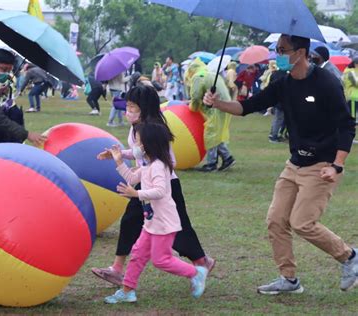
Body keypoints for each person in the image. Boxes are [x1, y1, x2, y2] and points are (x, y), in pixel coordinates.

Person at [203, 34, 357, 294]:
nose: (278, 55)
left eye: (283, 50)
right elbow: (249, 106)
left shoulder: (326, 82)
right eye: (277, 49)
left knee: (302, 222)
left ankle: (350, 257)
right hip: (294, 163)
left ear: (301, 53)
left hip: (321, 164)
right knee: (276, 220)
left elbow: (346, 126)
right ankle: (289, 279)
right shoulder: (282, 83)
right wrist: (217, 103)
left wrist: (337, 165)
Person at [92, 85, 215, 287]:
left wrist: (150, 169)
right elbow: (137, 152)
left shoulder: (155, 130)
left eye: (132, 107)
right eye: (128, 106)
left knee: (179, 229)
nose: (127, 111)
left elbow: (170, 160)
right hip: (143, 183)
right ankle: (116, 269)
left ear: (145, 108)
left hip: (165, 185)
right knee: (130, 221)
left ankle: (202, 262)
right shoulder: (137, 127)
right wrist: (119, 154)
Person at [103, 121, 208, 304]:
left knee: (161, 260)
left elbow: (160, 191)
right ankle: (128, 290)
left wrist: (137, 193)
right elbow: (131, 177)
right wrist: (119, 160)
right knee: (137, 254)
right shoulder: (147, 165)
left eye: (137, 142)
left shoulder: (159, 166)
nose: (135, 146)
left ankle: (196, 273)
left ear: (148, 144)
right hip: (151, 222)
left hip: (164, 223)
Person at [184, 58, 235, 172]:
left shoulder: (198, 77)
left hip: (217, 106)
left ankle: (212, 163)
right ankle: (227, 158)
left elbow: (196, 96)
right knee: (215, 133)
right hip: (225, 105)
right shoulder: (209, 73)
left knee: (211, 134)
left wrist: (192, 107)